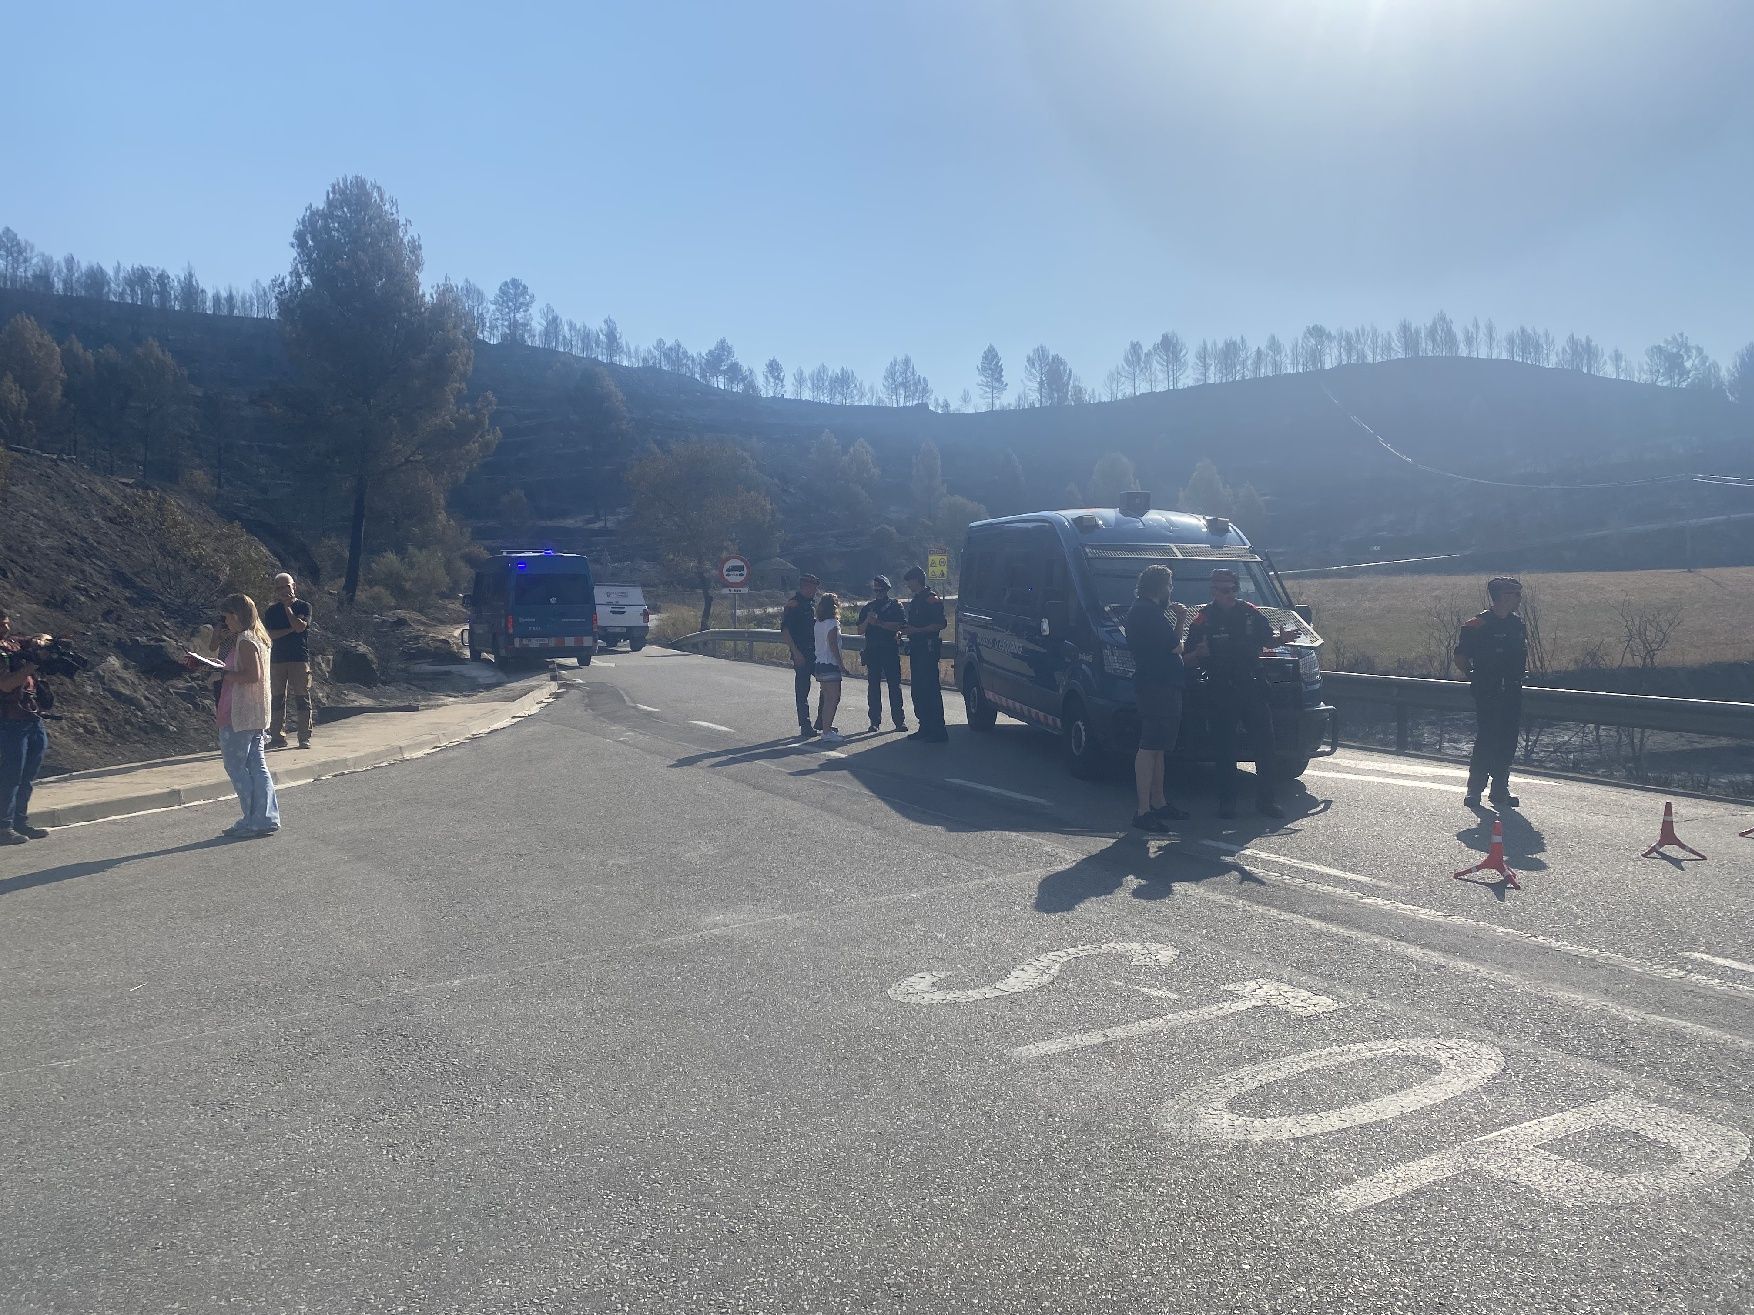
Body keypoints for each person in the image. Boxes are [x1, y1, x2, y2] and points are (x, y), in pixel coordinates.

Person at [1186, 567, 1283, 819]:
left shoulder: (1250, 613)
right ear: (1213, 591)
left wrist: (1281, 640)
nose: (1227, 594)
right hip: (1221, 689)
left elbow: (1267, 640)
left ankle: (1266, 801)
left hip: (1252, 686)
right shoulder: (1202, 618)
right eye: (1221, 590)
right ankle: (1227, 802)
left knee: (1265, 746)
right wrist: (1199, 655)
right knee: (1224, 748)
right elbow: (1187, 656)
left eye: (1231, 589)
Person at [199, 594, 281, 838]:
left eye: (226, 618)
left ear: (236, 615)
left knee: (236, 766)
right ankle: (264, 818)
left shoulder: (245, 639)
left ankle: (252, 818)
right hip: (255, 711)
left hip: (240, 711)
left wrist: (223, 675)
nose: (225, 623)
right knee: (257, 765)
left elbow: (251, 675)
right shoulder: (259, 636)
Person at [1125, 565, 1189, 832]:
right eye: (1170, 585)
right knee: (1150, 746)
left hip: (1158, 684)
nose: (1171, 591)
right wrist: (1181, 620)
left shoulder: (1145, 611)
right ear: (1160, 587)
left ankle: (1159, 801)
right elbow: (1175, 645)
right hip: (1156, 686)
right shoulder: (1147, 613)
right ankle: (1143, 810)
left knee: (1159, 747)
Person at [1455, 576, 1528, 809]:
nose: (1518, 599)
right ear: (1502, 597)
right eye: (1514, 594)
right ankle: (1474, 790)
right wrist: (1474, 676)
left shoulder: (1517, 625)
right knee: (1487, 738)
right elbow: (1461, 657)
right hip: (1488, 689)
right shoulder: (1476, 625)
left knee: (1508, 739)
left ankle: (1500, 790)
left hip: (1512, 689)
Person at [0, 607, 50, 844]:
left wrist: (40, 641)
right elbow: (6, 684)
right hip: (8, 722)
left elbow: (39, 639)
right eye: (1, 624)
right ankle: (3, 827)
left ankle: (20, 822)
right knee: (10, 776)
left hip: (31, 718)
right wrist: (32, 666)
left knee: (28, 775)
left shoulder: (11, 644)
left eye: (6, 622)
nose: (5, 627)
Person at [262, 572, 314, 750]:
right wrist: (291, 629)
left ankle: (304, 737)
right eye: (280, 588)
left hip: (299, 659)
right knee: (277, 698)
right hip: (277, 660)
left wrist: (288, 609)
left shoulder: (304, 606)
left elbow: (300, 627)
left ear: (294, 586)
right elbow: (270, 635)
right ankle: (277, 737)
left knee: (302, 697)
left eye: (287, 586)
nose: (284, 590)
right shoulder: (270, 611)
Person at [899, 566, 949, 743]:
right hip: (917, 648)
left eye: (909, 582)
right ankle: (925, 726)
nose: (908, 586)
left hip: (928, 648)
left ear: (916, 580)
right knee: (918, 690)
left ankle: (938, 730)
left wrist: (917, 630)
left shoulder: (931, 599)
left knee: (930, 689)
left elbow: (940, 624)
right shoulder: (916, 600)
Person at [856, 575, 908, 734]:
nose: (878, 593)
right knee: (873, 687)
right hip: (873, 651)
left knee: (894, 686)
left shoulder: (895, 606)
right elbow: (860, 630)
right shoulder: (868, 607)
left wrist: (879, 623)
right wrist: (868, 621)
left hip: (890, 650)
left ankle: (899, 721)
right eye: (876, 590)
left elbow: (900, 626)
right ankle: (874, 722)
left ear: (886, 590)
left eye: (881, 590)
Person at [782, 573, 822, 738]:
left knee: (827, 685)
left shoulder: (811, 604)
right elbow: (785, 631)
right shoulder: (794, 604)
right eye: (813, 587)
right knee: (803, 690)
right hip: (802, 653)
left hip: (815, 652)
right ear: (806, 586)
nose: (815, 590)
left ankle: (822, 722)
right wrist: (796, 652)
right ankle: (805, 726)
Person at [813, 593, 847, 743]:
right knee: (833, 698)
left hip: (819, 663)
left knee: (827, 697)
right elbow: (833, 644)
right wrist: (841, 664)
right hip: (829, 663)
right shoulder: (833, 623)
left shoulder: (818, 623)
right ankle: (826, 731)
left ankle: (826, 727)